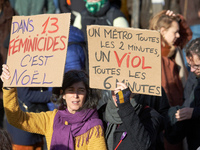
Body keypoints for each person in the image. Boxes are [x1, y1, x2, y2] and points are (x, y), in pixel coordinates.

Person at [1, 66, 107, 150]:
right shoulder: (51, 119)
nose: (75, 95)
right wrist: (9, 87)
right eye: (71, 90)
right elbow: (16, 119)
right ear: (63, 94)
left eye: (81, 90)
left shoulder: (94, 126)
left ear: (87, 94)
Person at [100, 82, 162, 150]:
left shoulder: (150, 115)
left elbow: (143, 145)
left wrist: (125, 105)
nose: (117, 92)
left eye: (123, 89)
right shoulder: (103, 111)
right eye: (115, 88)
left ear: (137, 91)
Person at [165, 37, 200, 150]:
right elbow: (187, 99)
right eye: (190, 65)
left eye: (197, 66)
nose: (193, 70)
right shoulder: (194, 75)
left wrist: (194, 112)